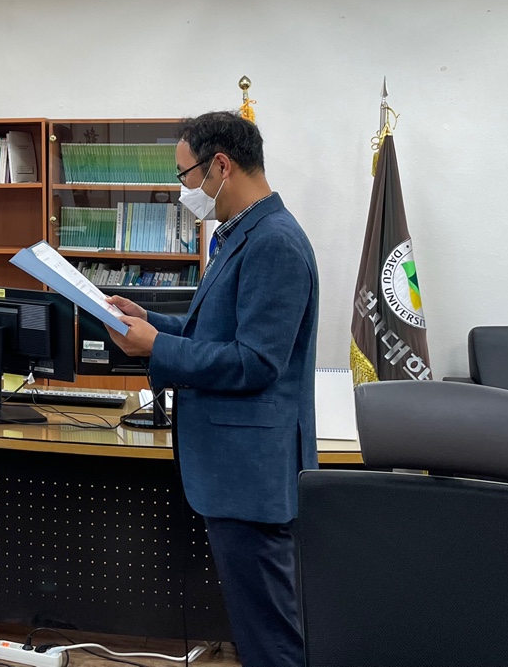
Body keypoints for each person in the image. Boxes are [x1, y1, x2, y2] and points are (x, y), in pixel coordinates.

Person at [107, 111, 318, 667]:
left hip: (251, 475)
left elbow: (256, 363)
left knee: (271, 638)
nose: (185, 190)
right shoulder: (242, 234)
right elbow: (217, 334)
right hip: (234, 470)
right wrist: (149, 323)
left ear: (220, 165)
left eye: (186, 175)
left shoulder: (274, 242)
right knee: (256, 629)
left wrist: (156, 347)